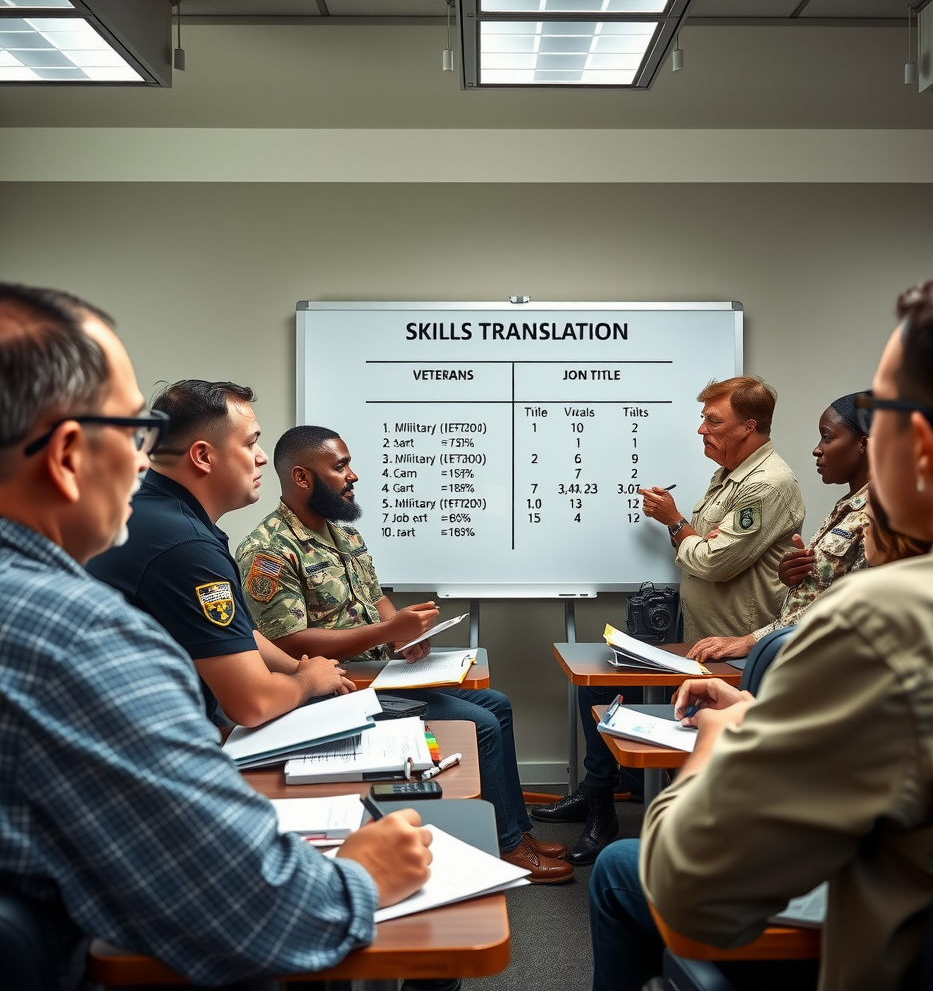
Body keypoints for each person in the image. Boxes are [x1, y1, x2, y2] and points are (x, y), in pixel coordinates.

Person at [587, 261, 933, 991]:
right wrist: (773, 713)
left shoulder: (886, 627)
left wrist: (723, 745)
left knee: (620, 870)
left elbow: (693, 890)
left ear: (921, 443)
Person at [0, 282, 432, 989]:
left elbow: (243, 637)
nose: (145, 461)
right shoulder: (82, 640)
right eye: (135, 434)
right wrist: (362, 874)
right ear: (70, 453)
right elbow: (259, 908)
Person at [235, 426, 573, 884]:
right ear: (301, 477)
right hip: (337, 691)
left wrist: (403, 637)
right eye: (340, 466)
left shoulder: (343, 534)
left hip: (381, 675)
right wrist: (388, 630)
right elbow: (288, 644)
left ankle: (516, 831)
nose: (353, 475)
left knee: (497, 704)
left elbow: (376, 599)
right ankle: (507, 848)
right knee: (481, 724)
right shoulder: (268, 549)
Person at [532, 376, 805, 865]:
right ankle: (598, 796)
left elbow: (713, 561)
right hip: (700, 639)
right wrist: (695, 536)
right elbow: (707, 545)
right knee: (599, 683)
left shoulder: (766, 484)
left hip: (735, 650)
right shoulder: (730, 474)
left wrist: (677, 524)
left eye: (713, 421)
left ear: (749, 426)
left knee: (622, 698)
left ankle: (621, 814)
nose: (702, 430)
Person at [88, 379, 352, 728]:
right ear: (203, 456)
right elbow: (252, 704)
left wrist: (296, 668)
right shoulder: (186, 546)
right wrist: (308, 681)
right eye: (250, 443)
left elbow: (235, 633)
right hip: (146, 739)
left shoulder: (146, 508)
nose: (261, 457)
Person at [687, 390, 871, 663]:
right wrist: (795, 578)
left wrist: (750, 641)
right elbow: (828, 589)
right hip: (798, 654)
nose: (817, 449)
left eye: (827, 437)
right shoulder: (849, 505)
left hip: (827, 662)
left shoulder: (882, 515)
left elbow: (851, 609)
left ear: (863, 444)